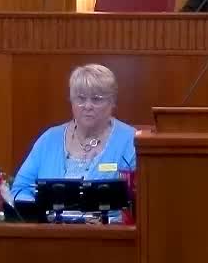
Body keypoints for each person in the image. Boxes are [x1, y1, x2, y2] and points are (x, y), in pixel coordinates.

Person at [11, 64, 137, 201]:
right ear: (71, 100)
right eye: (81, 99)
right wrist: (37, 209)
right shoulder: (49, 139)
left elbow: (141, 197)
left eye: (96, 99)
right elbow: (20, 189)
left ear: (112, 102)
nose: (88, 106)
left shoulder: (131, 141)